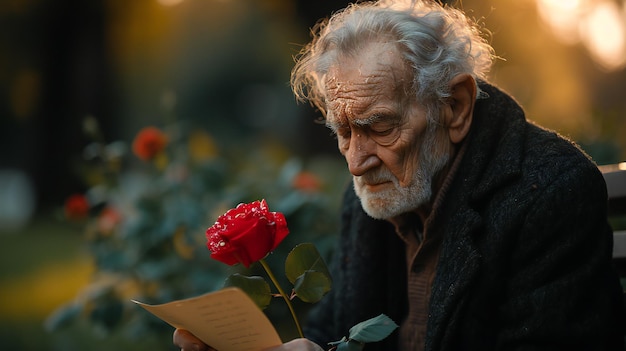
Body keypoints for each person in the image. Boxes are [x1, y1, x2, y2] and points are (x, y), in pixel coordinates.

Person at [175, 0, 626, 350]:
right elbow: (333, 331)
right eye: (343, 131)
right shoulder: (370, 192)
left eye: (380, 127)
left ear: (456, 107)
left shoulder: (551, 190)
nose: (355, 161)